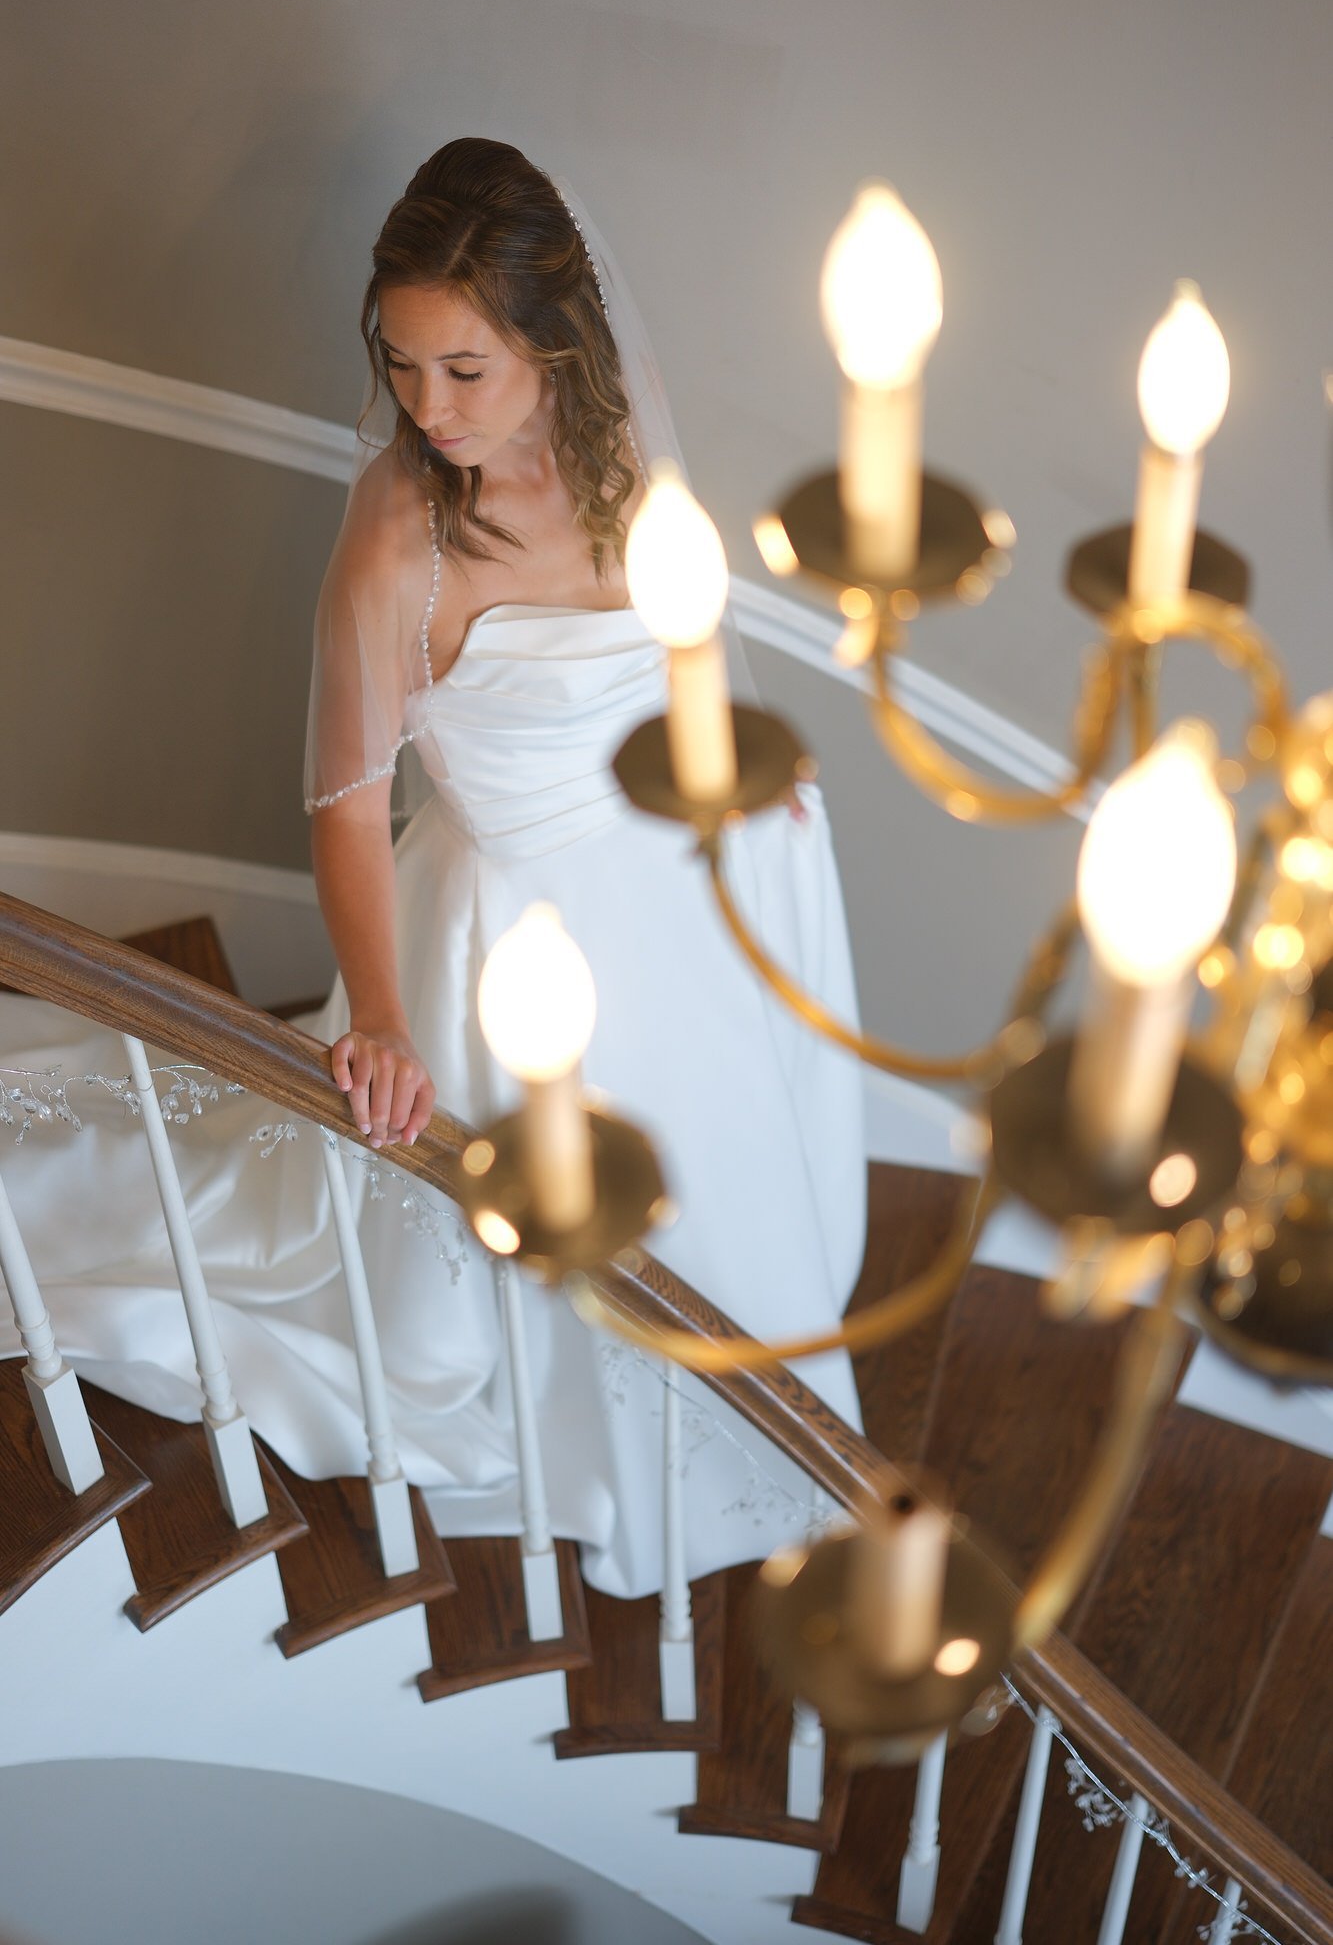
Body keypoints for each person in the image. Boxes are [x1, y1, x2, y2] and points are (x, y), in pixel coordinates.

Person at [0, 139, 866, 1597]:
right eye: (401, 367)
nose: (427, 408)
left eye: (463, 369)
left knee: (716, 1191)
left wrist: (734, 756)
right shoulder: (398, 545)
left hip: (668, 889)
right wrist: (384, 1024)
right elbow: (346, 808)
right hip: (510, 935)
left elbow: (679, 643)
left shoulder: (624, 461)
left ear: (557, 344)